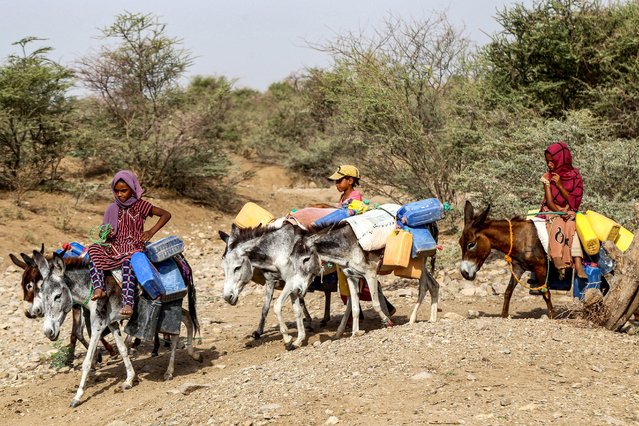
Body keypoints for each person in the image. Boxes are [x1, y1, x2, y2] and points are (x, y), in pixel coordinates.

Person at [88, 170, 172, 316]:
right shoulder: (112, 208)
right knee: (93, 249)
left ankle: (128, 303)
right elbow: (104, 231)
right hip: (114, 246)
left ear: (132, 189)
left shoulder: (141, 206)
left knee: (129, 263)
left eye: (124, 191)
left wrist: (151, 231)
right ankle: (98, 287)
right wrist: (104, 233)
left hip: (133, 247)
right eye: (116, 191)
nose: (120, 194)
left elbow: (166, 214)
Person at [326, 165, 396, 318]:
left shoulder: (355, 197)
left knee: (359, 279)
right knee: (346, 280)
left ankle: (376, 310)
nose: (336, 184)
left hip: (355, 241)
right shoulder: (343, 197)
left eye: (339, 180)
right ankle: (360, 313)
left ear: (350, 180)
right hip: (346, 242)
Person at [539, 141, 587, 279]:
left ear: (562, 160)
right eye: (547, 161)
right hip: (553, 210)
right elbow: (549, 201)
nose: (549, 165)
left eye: (552, 161)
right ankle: (557, 258)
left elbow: (575, 201)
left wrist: (560, 185)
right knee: (558, 223)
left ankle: (578, 264)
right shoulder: (547, 177)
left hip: (570, 209)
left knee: (572, 226)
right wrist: (560, 213)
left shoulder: (576, 176)